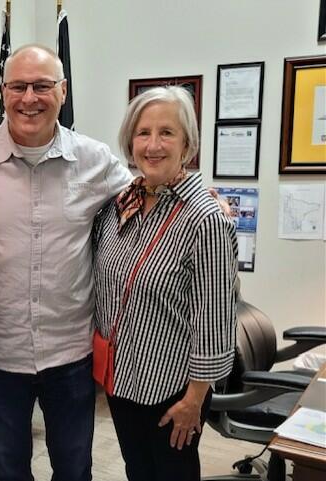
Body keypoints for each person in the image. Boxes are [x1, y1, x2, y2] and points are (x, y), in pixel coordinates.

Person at [0, 44, 133, 481]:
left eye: (42, 86)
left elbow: (145, 196)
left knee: (74, 468)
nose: (28, 97)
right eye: (17, 86)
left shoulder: (95, 160)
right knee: (9, 470)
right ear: (3, 91)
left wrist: (200, 197)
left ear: (63, 91)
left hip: (69, 353)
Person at [92, 86, 238, 481]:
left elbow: (215, 318)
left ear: (187, 143)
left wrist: (195, 399)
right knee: (138, 472)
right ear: (130, 141)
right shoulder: (121, 204)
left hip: (173, 391)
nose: (153, 145)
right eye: (143, 133)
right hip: (123, 381)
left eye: (167, 133)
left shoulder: (206, 218)